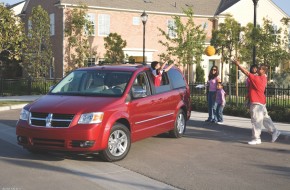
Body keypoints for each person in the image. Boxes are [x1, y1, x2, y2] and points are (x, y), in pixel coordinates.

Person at [232, 59, 280, 145]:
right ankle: (274, 132)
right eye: (258, 68)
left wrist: (238, 65)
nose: (258, 69)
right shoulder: (264, 78)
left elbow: (246, 73)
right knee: (265, 119)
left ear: (264, 71)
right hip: (261, 102)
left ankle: (256, 138)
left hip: (257, 103)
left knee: (256, 120)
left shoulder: (257, 79)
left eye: (260, 69)